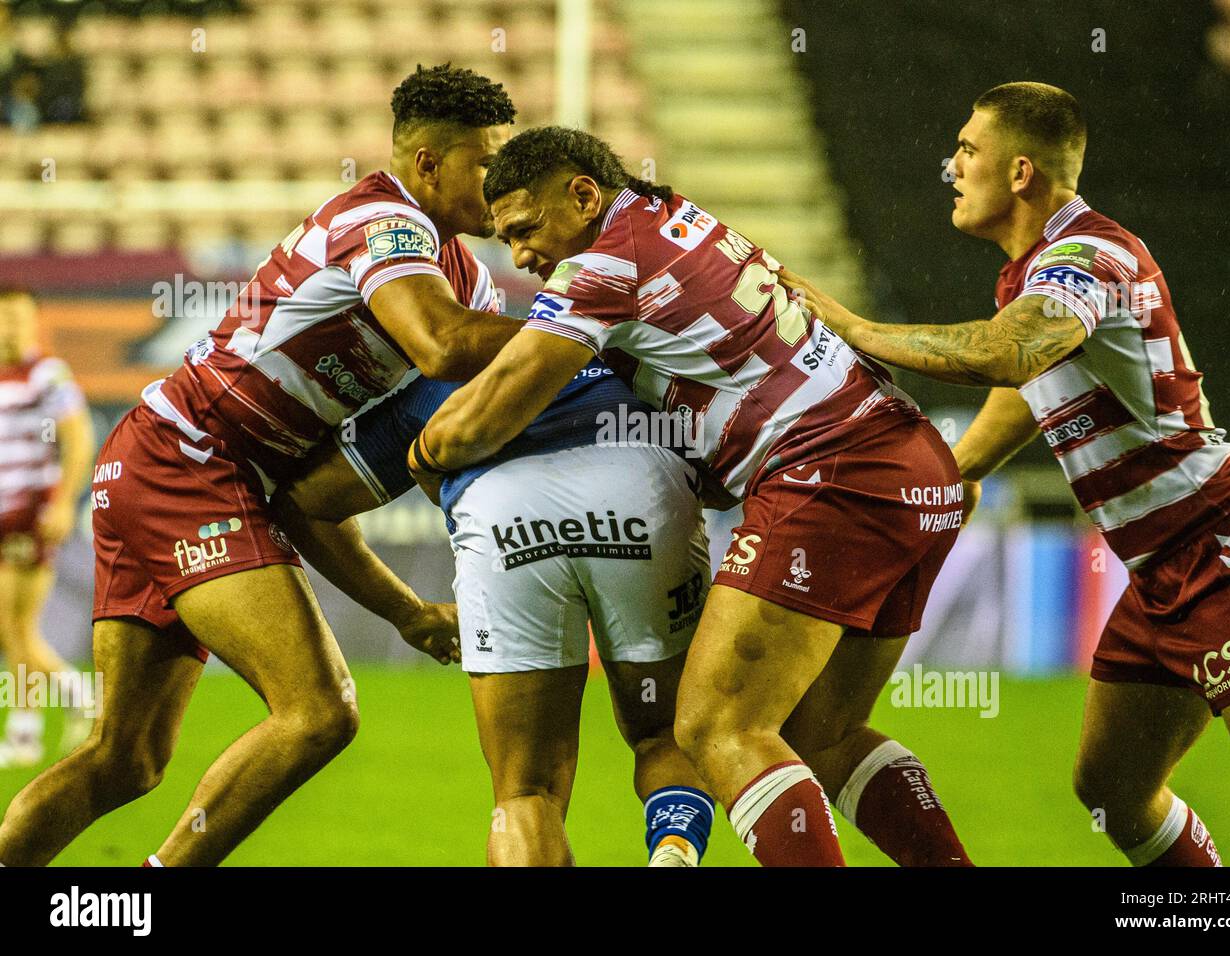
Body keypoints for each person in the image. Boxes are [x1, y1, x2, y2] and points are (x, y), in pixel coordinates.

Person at [406, 126, 973, 867]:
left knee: (713, 726)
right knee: (819, 737)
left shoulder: (603, 266)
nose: (519, 256)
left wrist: (425, 457)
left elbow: (490, 412)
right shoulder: (675, 219)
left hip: (830, 474)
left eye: (525, 229)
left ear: (582, 195)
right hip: (915, 468)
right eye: (503, 239)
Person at [0, 63, 521, 867]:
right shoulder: (385, 225)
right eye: (487, 163)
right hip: (188, 459)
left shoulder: (464, 279)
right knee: (319, 711)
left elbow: (311, 504)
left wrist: (409, 612)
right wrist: (587, 328)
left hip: (172, 463)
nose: (504, 181)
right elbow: (447, 347)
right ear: (428, 164)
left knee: (125, 760)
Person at [779, 81, 1230, 863]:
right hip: (1158, 572)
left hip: (1226, 553)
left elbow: (1010, 352)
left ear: (1020, 172)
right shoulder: (1034, 273)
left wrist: (852, 326)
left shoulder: (1086, 259)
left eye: (966, 150)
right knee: (1113, 793)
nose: (950, 167)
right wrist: (959, 469)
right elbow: (1034, 382)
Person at [276, 351, 717, 866]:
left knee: (525, 790)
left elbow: (307, 501)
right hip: (638, 494)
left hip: (506, 519)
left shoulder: (442, 383)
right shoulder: (632, 359)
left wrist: (409, 612)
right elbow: (728, 460)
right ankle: (674, 849)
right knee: (664, 734)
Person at [0, 287, 94, 768]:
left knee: (15, 626)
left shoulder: (46, 375)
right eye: (4, 318)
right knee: (14, 629)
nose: (10, 327)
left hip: (29, 512)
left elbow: (78, 436)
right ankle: (67, 700)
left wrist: (61, 502)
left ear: (34, 323)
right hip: (2, 514)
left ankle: (26, 730)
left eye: (19, 318)